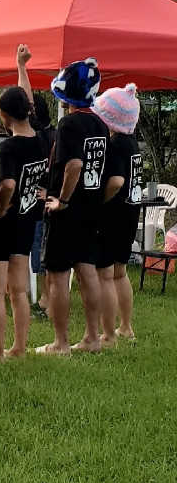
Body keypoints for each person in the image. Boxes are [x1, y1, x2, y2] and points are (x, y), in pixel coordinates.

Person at [36, 57, 109, 356]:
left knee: (57, 275)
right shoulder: (101, 124)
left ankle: (60, 342)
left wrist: (62, 200)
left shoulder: (68, 125)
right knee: (87, 271)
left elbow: (74, 164)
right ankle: (93, 337)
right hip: (91, 206)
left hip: (68, 209)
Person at [0, 79, 49, 360]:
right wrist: (22, 67)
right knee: (19, 291)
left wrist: (0, 208)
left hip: (3, 225)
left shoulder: (9, 147)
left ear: (3, 115)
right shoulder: (41, 141)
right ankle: (19, 347)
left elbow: (7, 184)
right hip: (26, 221)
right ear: (28, 111)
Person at [91, 84, 142, 346]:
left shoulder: (115, 145)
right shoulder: (132, 143)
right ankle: (126, 327)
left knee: (104, 275)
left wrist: (101, 201)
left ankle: (108, 334)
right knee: (120, 273)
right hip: (130, 214)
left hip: (113, 216)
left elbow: (116, 181)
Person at [16, 45, 57, 318]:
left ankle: (40, 299)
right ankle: (44, 298)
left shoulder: (34, 138)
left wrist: (21, 67)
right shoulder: (53, 136)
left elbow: (24, 101)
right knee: (45, 257)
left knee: (34, 255)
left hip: (33, 205)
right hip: (49, 202)